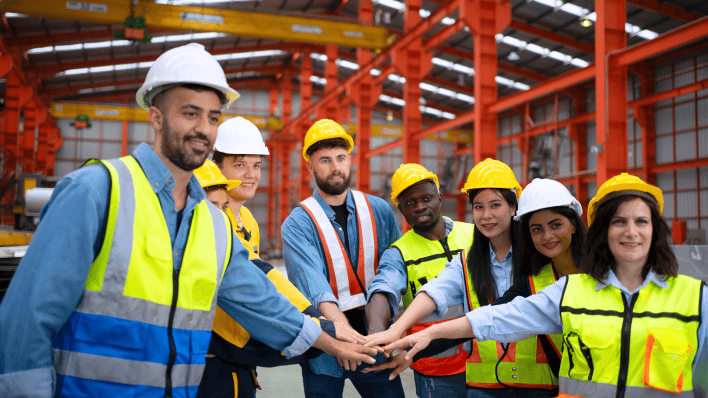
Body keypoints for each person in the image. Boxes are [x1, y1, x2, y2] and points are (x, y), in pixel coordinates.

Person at [0, 43, 378, 398]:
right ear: (156, 117)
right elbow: (25, 321)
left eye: (212, 117)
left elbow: (259, 299)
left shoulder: (212, 224)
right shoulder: (97, 191)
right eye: (190, 113)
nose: (203, 128)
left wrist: (331, 339)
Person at [384, 173, 708, 397]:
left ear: (575, 225)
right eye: (536, 229)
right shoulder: (560, 288)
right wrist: (421, 337)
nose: (547, 236)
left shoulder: (692, 298)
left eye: (640, 221)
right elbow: (496, 317)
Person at [366, 159, 558, 397]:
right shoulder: (466, 261)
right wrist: (396, 330)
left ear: (512, 207)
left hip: (537, 384)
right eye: (478, 207)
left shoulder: (540, 256)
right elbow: (435, 290)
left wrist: (425, 335)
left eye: (495, 205)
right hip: (481, 383)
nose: (486, 215)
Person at [281, 119, 406, 398]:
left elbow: (396, 268)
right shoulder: (298, 224)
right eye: (325, 160)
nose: (335, 167)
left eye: (341, 158)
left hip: (375, 343)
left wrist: (385, 333)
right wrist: (341, 334)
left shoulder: (379, 211)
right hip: (326, 348)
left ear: (350, 160)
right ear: (310, 167)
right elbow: (311, 282)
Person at [365, 163, 474, 398]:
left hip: (485, 362)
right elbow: (383, 290)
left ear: (440, 198)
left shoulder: (474, 235)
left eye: (426, 198)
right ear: (400, 208)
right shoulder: (399, 253)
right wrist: (376, 332)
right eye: (410, 202)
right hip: (435, 368)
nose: (420, 206)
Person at [211, 116, 268, 259]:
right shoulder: (213, 218)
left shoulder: (248, 219)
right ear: (216, 168)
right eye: (240, 165)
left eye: (256, 166)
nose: (251, 175)